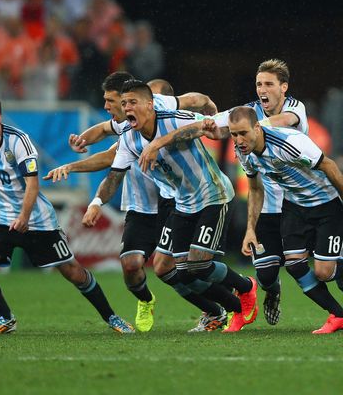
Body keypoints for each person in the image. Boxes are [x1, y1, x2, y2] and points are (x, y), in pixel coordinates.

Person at [45, 73, 224, 332]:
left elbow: (194, 101)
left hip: (171, 201)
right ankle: (147, 300)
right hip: (140, 205)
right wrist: (82, 143)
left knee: (175, 267)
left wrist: (210, 109)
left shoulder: (161, 111)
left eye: (110, 101)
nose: (108, 106)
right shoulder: (126, 125)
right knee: (131, 267)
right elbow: (107, 139)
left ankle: (219, 305)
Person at [0, 93, 134, 336]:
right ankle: (5, 318)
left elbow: (32, 184)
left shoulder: (18, 141)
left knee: (72, 272)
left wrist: (24, 217)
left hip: (37, 218)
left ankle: (112, 317)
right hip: (0, 216)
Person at [82, 80, 259, 332]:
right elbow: (113, 177)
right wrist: (96, 202)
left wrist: (160, 142)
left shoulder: (173, 119)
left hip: (213, 196)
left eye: (133, 102)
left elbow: (216, 121)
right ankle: (230, 307)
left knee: (198, 264)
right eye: (124, 104)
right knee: (168, 268)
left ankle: (245, 287)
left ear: (149, 105)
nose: (127, 107)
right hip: (183, 203)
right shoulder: (129, 140)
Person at [208, 59, 309, 327]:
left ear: (283, 87)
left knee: (317, 268)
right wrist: (197, 126)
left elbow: (284, 121)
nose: (262, 89)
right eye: (258, 84)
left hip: (298, 206)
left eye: (269, 84)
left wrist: (252, 129)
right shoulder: (248, 113)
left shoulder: (294, 107)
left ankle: (335, 311)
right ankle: (272, 290)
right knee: (264, 276)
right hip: (264, 205)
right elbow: (214, 122)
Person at [229, 105, 343, 334]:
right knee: (294, 264)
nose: (239, 140)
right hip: (293, 207)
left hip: (326, 204)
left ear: (257, 127)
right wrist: (250, 229)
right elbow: (255, 189)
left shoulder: (289, 143)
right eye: (234, 134)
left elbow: (329, 165)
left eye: (243, 133)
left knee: (323, 272)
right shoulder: (243, 152)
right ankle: (338, 315)